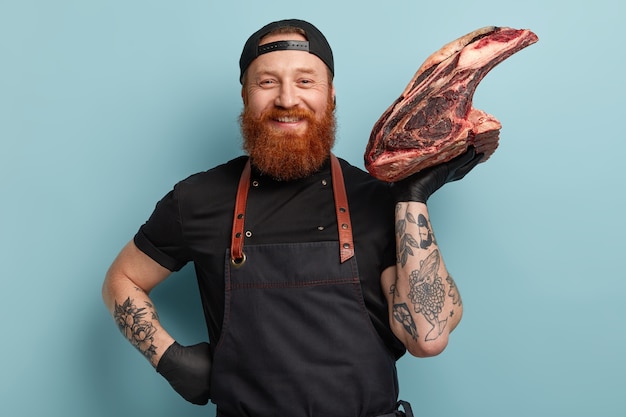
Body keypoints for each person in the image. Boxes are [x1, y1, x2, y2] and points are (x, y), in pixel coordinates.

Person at [102, 18, 482, 417]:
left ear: (330, 95)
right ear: (246, 95)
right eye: (267, 82)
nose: (287, 99)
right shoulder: (197, 199)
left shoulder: (377, 201)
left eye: (305, 81)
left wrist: (412, 198)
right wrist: (168, 358)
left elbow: (427, 337)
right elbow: (121, 279)